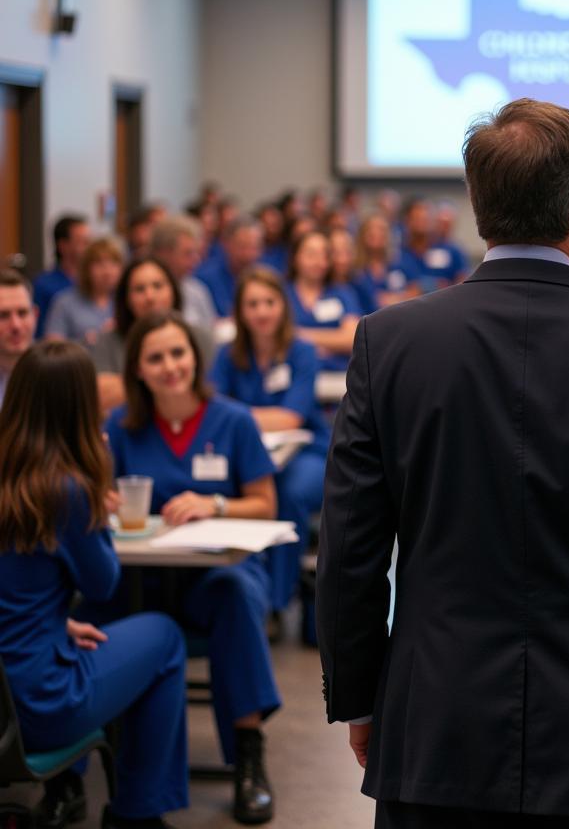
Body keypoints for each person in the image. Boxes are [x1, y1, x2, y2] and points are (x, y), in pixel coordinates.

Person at [316, 98, 569, 829]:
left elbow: (350, 553)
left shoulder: (390, 344)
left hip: (433, 726)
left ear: (476, 206)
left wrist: (359, 697)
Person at [0, 340, 188, 829]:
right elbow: (104, 583)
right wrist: (95, 479)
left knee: (109, 634)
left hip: (5, 702)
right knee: (165, 637)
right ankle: (136, 813)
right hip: (40, 704)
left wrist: (55, 623)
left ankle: (78, 792)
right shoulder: (65, 489)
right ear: (80, 408)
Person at [103, 312, 280, 823]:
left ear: (195, 358)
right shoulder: (121, 427)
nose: (170, 366)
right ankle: (91, 768)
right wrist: (109, 499)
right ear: (137, 368)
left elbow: (264, 502)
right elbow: (101, 495)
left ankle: (249, 756)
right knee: (91, 601)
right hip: (142, 576)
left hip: (210, 578)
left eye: (177, 353)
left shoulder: (232, 420)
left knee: (236, 593)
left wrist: (216, 504)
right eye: (155, 358)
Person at [210, 268, 329, 627]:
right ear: (240, 312)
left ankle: (276, 602)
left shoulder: (302, 352)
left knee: (286, 493)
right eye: (252, 304)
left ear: (283, 305)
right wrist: (259, 417)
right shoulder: (228, 355)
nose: (262, 311)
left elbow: (292, 418)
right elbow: (212, 407)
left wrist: (239, 416)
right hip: (249, 453)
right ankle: (239, 589)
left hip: (306, 452)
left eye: (269, 302)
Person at [91, 257, 216, 412]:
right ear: (126, 298)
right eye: (139, 289)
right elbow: (101, 395)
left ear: (173, 291)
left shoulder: (201, 337)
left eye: (158, 286)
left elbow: (212, 390)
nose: (150, 296)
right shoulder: (106, 342)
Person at [285, 231, 360, 372]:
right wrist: (331, 342)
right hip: (293, 374)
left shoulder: (342, 293)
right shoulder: (282, 294)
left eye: (324, 255)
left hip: (338, 375)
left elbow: (352, 339)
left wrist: (300, 335)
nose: (318, 261)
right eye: (311, 254)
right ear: (295, 257)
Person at [44, 238, 123, 346]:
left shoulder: (127, 300)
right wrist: (85, 342)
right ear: (86, 268)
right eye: (99, 263)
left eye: (113, 263)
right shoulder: (64, 302)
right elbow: (52, 347)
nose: (107, 271)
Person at [150, 214, 219, 330]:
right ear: (163, 253)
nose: (196, 260)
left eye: (196, 252)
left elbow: (210, 335)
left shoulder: (197, 291)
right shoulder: (145, 293)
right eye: (188, 253)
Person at [32, 214, 90, 336]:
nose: (90, 248)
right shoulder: (44, 285)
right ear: (63, 246)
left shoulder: (93, 281)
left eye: (89, 241)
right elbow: (39, 332)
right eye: (83, 242)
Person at [195, 216, 264, 318]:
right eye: (242, 246)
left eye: (254, 247)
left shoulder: (265, 278)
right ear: (226, 244)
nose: (248, 254)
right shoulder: (204, 278)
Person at [398, 198, 467, 289]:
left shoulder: (451, 250)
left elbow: (463, 282)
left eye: (425, 218)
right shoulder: (398, 253)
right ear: (407, 221)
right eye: (417, 218)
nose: (422, 223)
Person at [352, 212, 418, 307]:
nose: (375, 233)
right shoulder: (356, 270)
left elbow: (416, 291)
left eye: (381, 229)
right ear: (362, 234)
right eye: (370, 228)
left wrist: (394, 298)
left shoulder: (401, 261)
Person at [0, 268, 37, 405]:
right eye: (3, 315)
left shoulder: (56, 373)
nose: (16, 325)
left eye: (22, 313)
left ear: (35, 315)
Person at [328, 227, 378, 315]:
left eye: (347, 252)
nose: (342, 260)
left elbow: (375, 314)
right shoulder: (321, 289)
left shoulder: (360, 283)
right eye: (335, 252)